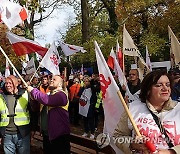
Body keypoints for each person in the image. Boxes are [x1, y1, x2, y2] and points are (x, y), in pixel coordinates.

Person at [113, 70, 180, 154]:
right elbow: (118, 136)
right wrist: (132, 144)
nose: (165, 88)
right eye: (159, 85)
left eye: (168, 85)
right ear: (148, 89)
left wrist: (171, 152)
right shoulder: (132, 108)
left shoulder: (178, 109)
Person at [27, 75, 70, 154]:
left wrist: (33, 90)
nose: (51, 80)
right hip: (47, 134)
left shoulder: (62, 95)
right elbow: (37, 107)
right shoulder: (49, 94)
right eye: (51, 79)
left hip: (58, 135)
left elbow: (47, 100)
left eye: (54, 79)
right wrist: (32, 97)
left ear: (60, 84)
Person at [0, 75, 31, 154]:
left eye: (10, 83)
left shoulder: (25, 94)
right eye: (6, 83)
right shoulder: (1, 97)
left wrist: (33, 128)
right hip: (7, 134)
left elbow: (32, 111)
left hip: (22, 133)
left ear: (17, 83)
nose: (8, 85)